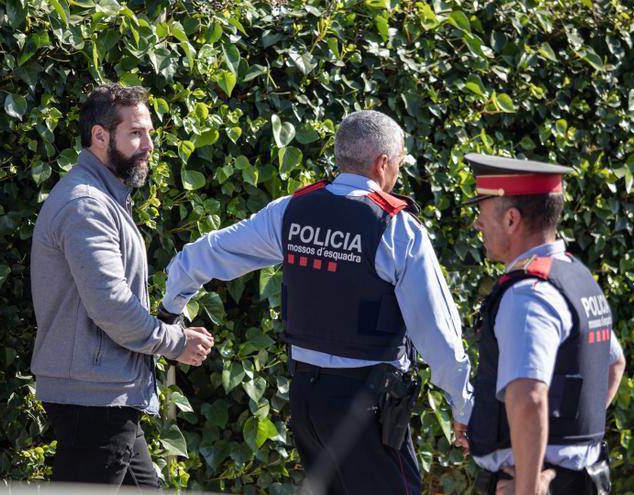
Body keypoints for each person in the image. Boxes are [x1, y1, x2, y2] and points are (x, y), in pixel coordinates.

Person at [157, 110, 474, 494]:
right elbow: (437, 330)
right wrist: (464, 406)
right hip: (368, 404)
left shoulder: (292, 210)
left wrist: (170, 312)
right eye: (400, 164)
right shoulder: (395, 228)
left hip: (308, 401)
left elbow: (202, 254)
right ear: (383, 163)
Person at [29, 84, 214, 487]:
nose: (148, 144)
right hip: (93, 399)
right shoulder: (86, 205)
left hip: (107, 392)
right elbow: (111, 305)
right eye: (135, 133)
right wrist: (175, 342)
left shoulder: (105, 197)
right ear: (100, 136)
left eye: (149, 132)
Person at [462, 153, 626, 495]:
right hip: (577, 478)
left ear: (511, 219)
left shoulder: (528, 294)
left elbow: (530, 398)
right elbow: (614, 364)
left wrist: (529, 483)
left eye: (482, 211)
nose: (478, 224)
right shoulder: (575, 276)